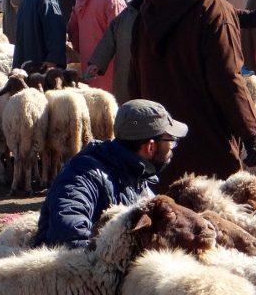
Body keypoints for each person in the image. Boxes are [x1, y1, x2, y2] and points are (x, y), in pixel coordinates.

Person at [129, 0, 256, 190]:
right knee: (213, 219)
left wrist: (139, 134)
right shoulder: (215, 9)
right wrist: (251, 133)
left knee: (170, 219)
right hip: (206, 142)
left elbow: (134, 76)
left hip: (161, 145)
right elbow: (227, 78)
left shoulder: (150, 9)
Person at [32, 99, 186, 248]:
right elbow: (67, 236)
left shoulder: (137, 176)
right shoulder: (83, 174)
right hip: (73, 271)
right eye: (171, 141)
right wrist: (114, 263)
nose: (172, 148)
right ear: (150, 147)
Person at [88, 0, 164, 104]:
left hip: (156, 75)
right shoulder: (127, 14)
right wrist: (97, 63)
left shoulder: (167, 13)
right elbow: (109, 38)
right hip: (127, 72)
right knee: (129, 107)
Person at [68, 0, 126, 91]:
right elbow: (120, 35)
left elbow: (72, 30)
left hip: (87, 65)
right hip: (107, 68)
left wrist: (79, 50)